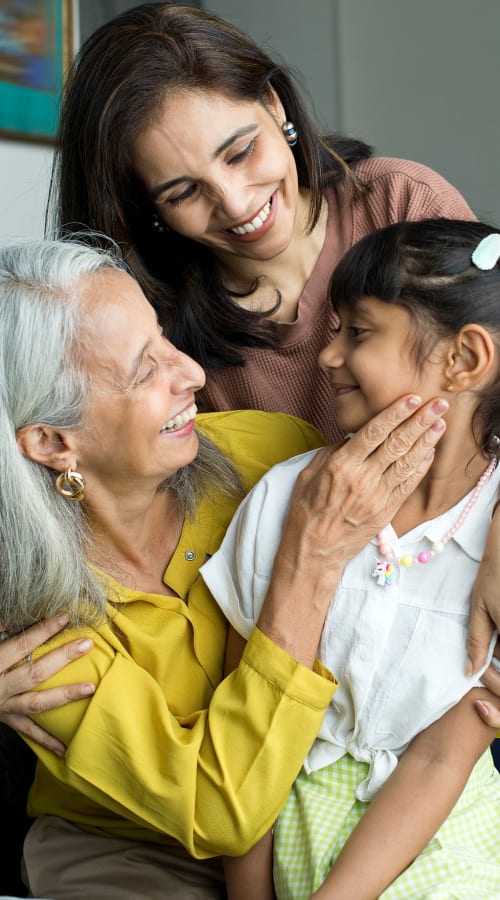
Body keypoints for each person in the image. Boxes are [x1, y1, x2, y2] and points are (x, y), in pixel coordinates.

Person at [0, 236, 448, 900]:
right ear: (54, 441)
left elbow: (451, 498)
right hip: (134, 853)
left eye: (163, 339)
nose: (192, 373)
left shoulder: (271, 452)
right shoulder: (38, 634)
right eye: (143, 370)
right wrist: (310, 557)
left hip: (315, 809)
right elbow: (222, 811)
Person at [201, 218, 500, 899]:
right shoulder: (283, 500)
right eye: (332, 328)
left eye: (358, 332)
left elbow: (439, 757)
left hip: (444, 843)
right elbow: (244, 731)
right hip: (286, 836)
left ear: (465, 359)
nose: (327, 357)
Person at [45, 1, 477, 444]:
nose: (234, 204)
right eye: (184, 193)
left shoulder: (402, 201)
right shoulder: (159, 332)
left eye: (240, 152)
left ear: (274, 105)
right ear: (146, 207)